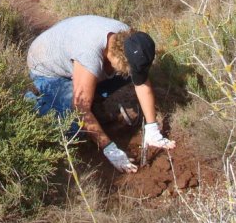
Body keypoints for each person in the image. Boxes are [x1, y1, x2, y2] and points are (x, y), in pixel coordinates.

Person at [26, 15, 176, 174]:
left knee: (125, 74)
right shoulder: (90, 55)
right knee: (73, 125)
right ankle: (30, 104)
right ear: (118, 56)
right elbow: (80, 109)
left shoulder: (130, 42)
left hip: (76, 57)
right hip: (46, 70)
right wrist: (109, 148)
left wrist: (152, 129)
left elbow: (142, 83)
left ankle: (88, 93)